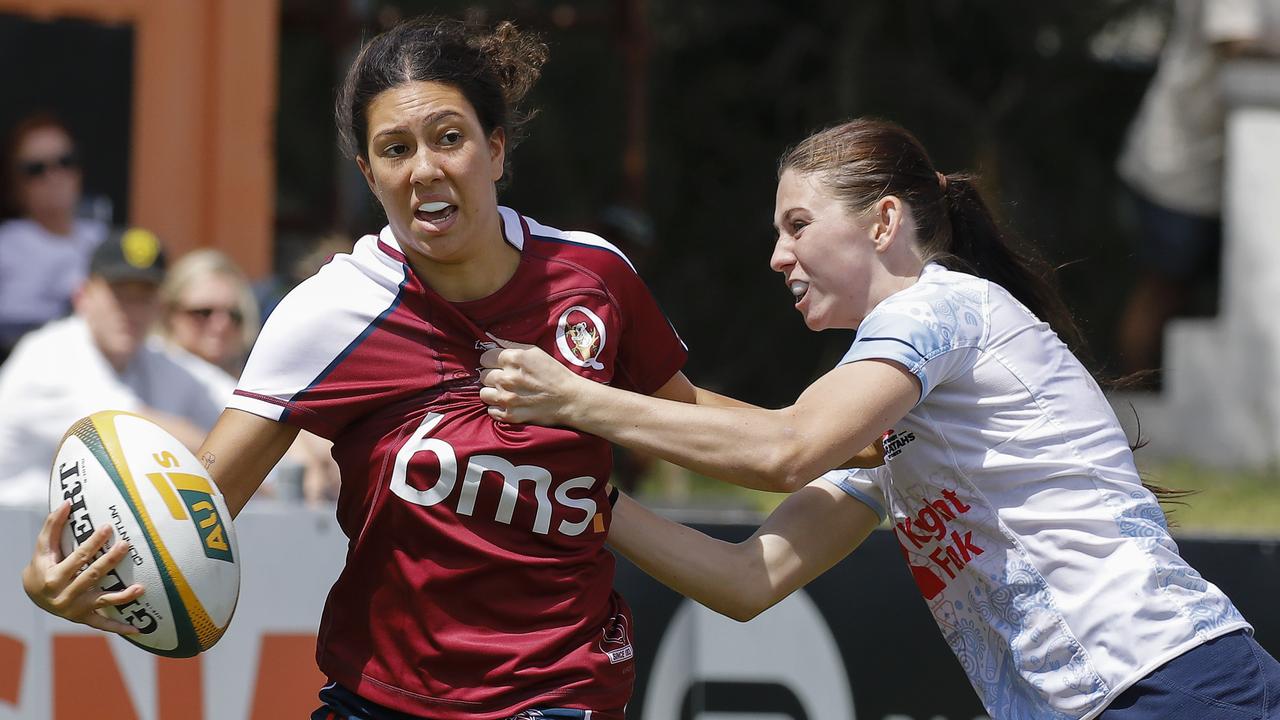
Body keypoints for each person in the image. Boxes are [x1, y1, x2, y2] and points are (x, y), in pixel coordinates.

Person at [22, 16, 793, 720]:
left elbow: (692, 421)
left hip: (557, 690)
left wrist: (850, 431)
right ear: (368, 172)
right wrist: (73, 584)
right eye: (395, 149)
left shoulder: (593, 278)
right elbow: (195, 505)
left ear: (494, 149)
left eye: (448, 138)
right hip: (376, 698)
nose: (424, 169)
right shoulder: (328, 313)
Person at [478, 118, 1280, 719]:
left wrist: (574, 399)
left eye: (798, 226)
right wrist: (586, 503)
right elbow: (746, 579)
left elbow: (783, 449)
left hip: (1172, 685)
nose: (776, 257)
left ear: (884, 222)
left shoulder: (937, 307)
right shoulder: (890, 420)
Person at [0, 227, 232, 506]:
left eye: (144, 296)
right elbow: (128, 431)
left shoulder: (151, 358)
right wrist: (246, 467)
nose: (131, 311)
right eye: (119, 294)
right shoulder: (49, 353)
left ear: (158, 305)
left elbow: (236, 402)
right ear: (83, 296)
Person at [1115, 0, 1277, 379]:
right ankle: (1133, 406)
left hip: (1229, 174)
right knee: (1165, 291)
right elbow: (1234, 43)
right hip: (1179, 168)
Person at [0, 112, 108, 362]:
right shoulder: (6, 245)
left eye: (65, 161)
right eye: (36, 169)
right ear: (14, 183)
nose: (54, 176)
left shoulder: (102, 238)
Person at [156, 248, 261, 377]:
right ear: (169, 313)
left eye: (234, 315)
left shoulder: (254, 386)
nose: (221, 324)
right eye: (204, 312)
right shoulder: (145, 380)